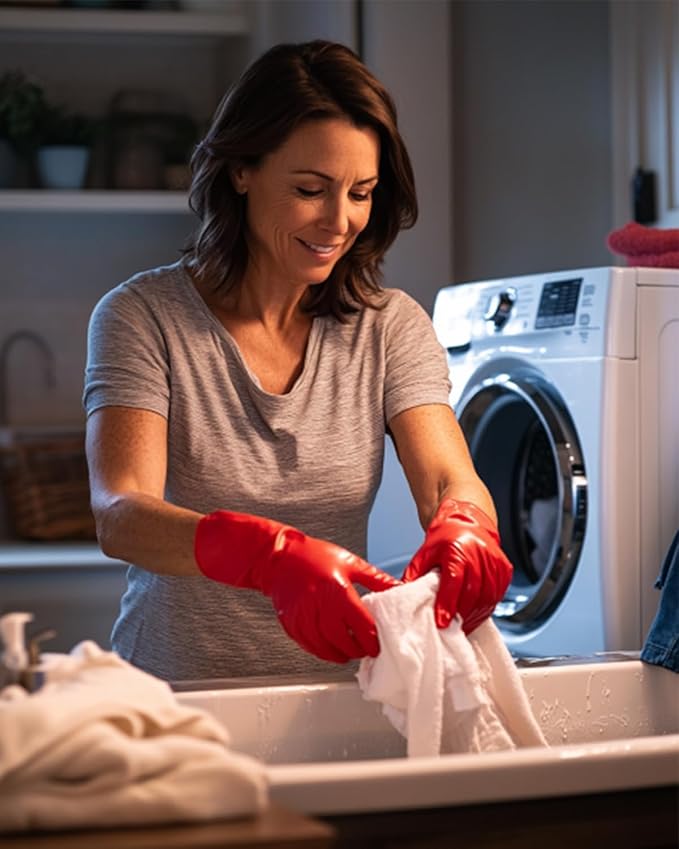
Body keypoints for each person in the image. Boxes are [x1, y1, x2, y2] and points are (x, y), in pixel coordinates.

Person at [83, 40, 512, 682]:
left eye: (361, 193)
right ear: (241, 171)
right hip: (175, 691)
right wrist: (265, 554)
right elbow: (120, 514)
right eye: (311, 189)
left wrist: (467, 524)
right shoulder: (143, 316)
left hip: (336, 694)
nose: (339, 221)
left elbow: (450, 479)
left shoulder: (389, 326)